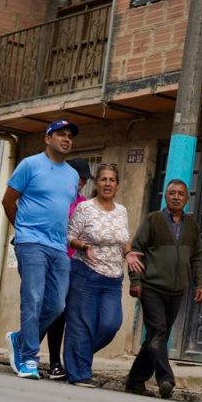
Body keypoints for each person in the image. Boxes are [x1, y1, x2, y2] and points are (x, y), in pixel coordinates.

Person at [2, 120, 80, 379]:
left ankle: (20, 339)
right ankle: (28, 358)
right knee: (33, 299)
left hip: (59, 247)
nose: (66, 139)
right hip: (31, 242)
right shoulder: (30, 165)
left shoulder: (72, 175)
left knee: (57, 305)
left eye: (70, 136)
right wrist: (23, 230)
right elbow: (8, 200)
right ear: (48, 138)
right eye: (61, 134)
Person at [63, 162, 144, 387]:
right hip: (85, 273)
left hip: (112, 278)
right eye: (103, 179)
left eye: (112, 180)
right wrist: (82, 245)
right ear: (96, 183)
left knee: (110, 324)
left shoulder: (122, 211)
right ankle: (79, 373)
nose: (107, 184)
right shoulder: (85, 208)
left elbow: (123, 240)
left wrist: (128, 254)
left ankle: (76, 359)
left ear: (117, 185)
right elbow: (68, 236)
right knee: (82, 324)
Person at [125, 179, 202, 399]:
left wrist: (200, 283)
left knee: (156, 335)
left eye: (181, 194)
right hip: (152, 287)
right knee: (158, 332)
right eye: (172, 193)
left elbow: (198, 256)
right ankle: (165, 378)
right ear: (165, 196)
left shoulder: (191, 225)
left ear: (187, 199)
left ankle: (135, 381)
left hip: (177, 290)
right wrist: (136, 281)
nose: (176, 197)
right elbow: (137, 252)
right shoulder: (153, 220)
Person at [42, 157, 93, 380]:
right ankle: (26, 349)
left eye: (84, 179)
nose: (80, 182)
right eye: (78, 177)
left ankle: (55, 362)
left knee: (61, 314)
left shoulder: (84, 204)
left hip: (74, 265)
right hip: (51, 260)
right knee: (48, 309)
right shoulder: (55, 196)